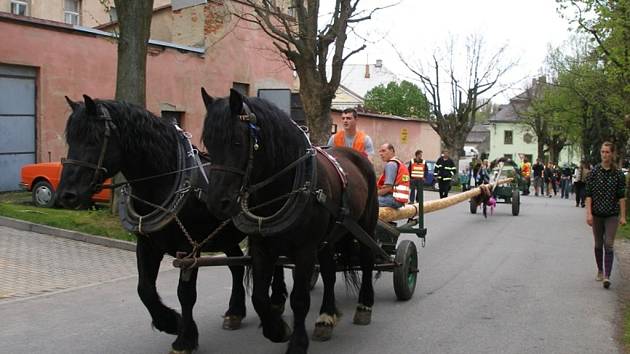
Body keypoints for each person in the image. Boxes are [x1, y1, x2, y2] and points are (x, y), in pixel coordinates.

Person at [585, 141, 626, 289]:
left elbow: (621, 197)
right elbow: (588, 195)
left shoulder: (618, 174)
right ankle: (600, 270)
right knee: (598, 243)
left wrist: (622, 216)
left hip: (611, 214)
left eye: (607, 152)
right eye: (602, 152)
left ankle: (607, 276)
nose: (605, 155)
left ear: (612, 154)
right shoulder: (594, 172)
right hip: (597, 214)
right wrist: (589, 214)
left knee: (608, 243)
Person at [377, 143, 410, 208]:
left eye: (383, 151)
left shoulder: (391, 164)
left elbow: (388, 188)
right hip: (400, 200)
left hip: (393, 199)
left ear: (391, 151)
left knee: (365, 201)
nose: (381, 154)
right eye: (380, 152)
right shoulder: (399, 163)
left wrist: (373, 195)